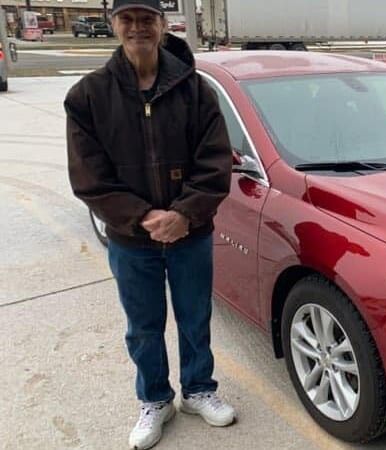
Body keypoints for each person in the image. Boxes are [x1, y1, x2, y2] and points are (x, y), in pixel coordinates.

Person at [64, 1, 234, 448]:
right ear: (113, 25)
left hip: (190, 234)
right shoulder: (88, 95)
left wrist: (185, 214)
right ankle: (156, 399)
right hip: (130, 239)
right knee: (143, 325)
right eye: (127, 19)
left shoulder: (195, 90)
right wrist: (143, 217)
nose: (137, 27)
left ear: (162, 24)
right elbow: (88, 175)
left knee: (194, 318)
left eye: (146, 19)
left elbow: (215, 162)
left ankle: (199, 390)